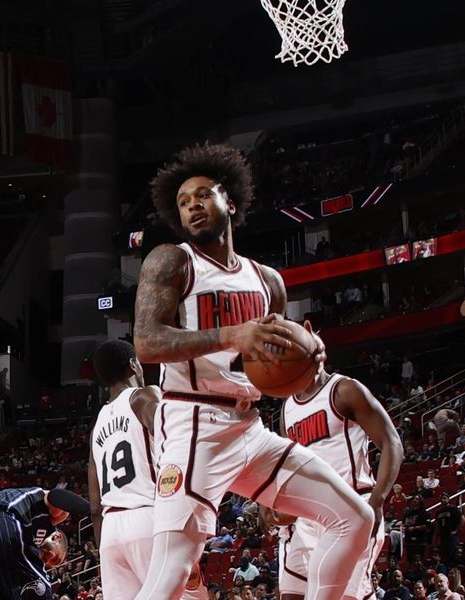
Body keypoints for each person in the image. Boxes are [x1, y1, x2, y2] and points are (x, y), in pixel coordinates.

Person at [131, 143, 375, 600]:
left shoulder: (268, 282)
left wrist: (310, 362)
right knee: (170, 575)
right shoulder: (173, 261)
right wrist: (232, 334)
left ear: (231, 201)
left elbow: (273, 368)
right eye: (183, 203)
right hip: (194, 424)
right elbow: (146, 343)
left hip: (250, 426)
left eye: (203, 195)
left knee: (355, 518)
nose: (193, 207)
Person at [272, 362, 403, 600]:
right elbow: (286, 464)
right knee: (291, 595)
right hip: (309, 518)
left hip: (350, 508)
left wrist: (376, 501)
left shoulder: (344, 390)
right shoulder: (287, 408)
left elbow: (392, 443)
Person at [87, 340, 207, 599]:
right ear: (133, 366)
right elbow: (173, 437)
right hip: (149, 517)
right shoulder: (143, 396)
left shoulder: (97, 426)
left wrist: (104, 550)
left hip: (110, 532)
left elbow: (94, 506)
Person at [0, 487, 88, 600]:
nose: (45, 562)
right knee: (37, 592)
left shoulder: (27, 532)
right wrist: (93, 508)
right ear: (56, 538)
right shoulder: (55, 517)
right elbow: (56, 495)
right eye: (54, 558)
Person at [433, 493, 464, 563]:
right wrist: (435, 539)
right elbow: (437, 526)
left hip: (451, 537)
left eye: (444, 498)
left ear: (448, 499)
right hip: (443, 537)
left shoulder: (453, 509)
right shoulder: (438, 512)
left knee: (453, 557)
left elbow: (463, 519)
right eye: (441, 498)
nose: (442, 500)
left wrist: (456, 530)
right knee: (444, 558)